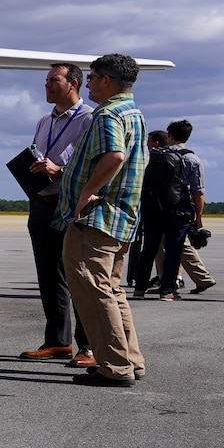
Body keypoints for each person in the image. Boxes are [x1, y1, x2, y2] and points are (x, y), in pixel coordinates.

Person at [57, 54, 146, 387]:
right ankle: (129, 360)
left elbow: (115, 155)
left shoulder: (108, 114)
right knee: (111, 289)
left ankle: (115, 367)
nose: (88, 84)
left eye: (92, 77)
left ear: (107, 80)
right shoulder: (134, 114)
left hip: (97, 219)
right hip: (121, 217)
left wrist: (86, 192)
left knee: (93, 290)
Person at [19, 64, 95, 367]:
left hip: (68, 205)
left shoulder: (89, 119)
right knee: (49, 276)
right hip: (41, 202)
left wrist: (60, 169)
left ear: (73, 83)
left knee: (78, 276)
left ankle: (88, 345)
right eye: (46, 80)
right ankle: (57, 341)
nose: (47, 85)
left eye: (54, 80)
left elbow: (91, 161)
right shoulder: (44, 120)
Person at [133, 119, 210, 300]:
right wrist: (198, 217)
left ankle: (139, 289)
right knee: (173, 251)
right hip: (178, 210)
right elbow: (198, 192)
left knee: (149, 249)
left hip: (152, 209)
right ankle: (167, 291)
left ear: (170, 136)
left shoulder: (154, 155)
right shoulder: (192, 159)